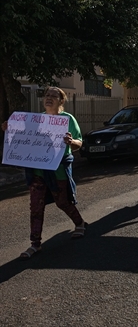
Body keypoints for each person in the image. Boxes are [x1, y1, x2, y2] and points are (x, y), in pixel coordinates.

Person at [1, 87, 87, 259]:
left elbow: (79, 144)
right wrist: (8, 128)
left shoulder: (67, 119)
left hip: (58, 171)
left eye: (54, 96)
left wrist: (71, 142)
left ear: (61, 101)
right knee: (36, 207)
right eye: (47, 95)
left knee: (62, 202)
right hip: (38, 172)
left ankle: (80, 223)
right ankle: (35, 244)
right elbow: (20, 136)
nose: (49, 98)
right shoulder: (35, 120)